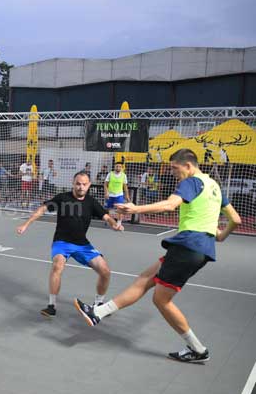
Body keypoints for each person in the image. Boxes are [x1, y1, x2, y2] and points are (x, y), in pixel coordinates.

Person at [74, 149, 242, 363]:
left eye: (174, 168)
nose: (172, 172)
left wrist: (136, 209)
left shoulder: (191, 182)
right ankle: (98, 313)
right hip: (199, 248)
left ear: (188, 165)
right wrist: (219, 236)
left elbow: (170, 205)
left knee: (161, 300)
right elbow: (235, 219)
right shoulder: (214, 186)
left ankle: (198, 349)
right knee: (145, 279)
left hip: (187, 247)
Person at [17, 170, 123, 317]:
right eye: (78, 184)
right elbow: (43, 209)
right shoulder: (62, 198)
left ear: (89, 185)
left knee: (105, 271)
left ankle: (99, 304)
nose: (81, 187)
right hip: (62, 242)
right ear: (73, 184)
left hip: (82, 245)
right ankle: (51, 306)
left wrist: (114, 224)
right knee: (57, 265)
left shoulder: (91, 202)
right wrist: (26, 224)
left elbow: (106, 216)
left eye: (84, 184)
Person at [104, 161, 130, 227]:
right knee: (108, 209)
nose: (118, 168)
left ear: (122, 168)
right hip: (110, 194)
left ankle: (119, 222)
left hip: (119, 195)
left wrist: (127, 195)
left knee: (120, 209)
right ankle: (108, 220)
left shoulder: (124, 175)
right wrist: (106, 193)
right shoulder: (110, 174)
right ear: (114, 167)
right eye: (117, 166)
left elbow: (125, 186)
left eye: (120, 167)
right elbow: (105, 184)